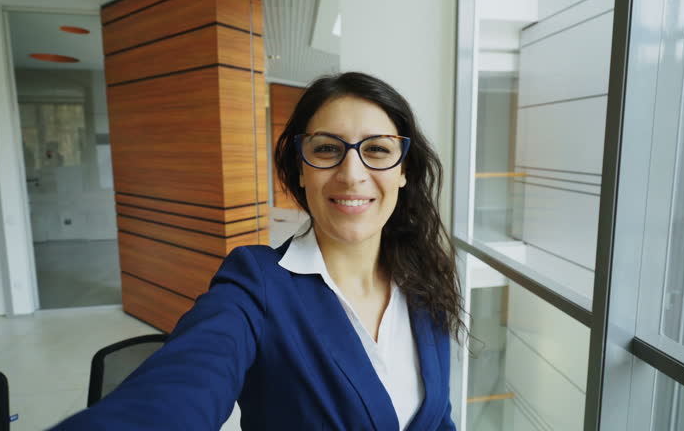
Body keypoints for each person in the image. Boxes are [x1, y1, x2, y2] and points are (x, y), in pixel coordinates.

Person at [53, 72, 463, 430]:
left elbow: (437, 418)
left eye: (377, 150)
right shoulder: (256, 284)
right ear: (301, 169)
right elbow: (181, 387)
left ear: (404, 169)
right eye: (326, 149)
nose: (352, 174)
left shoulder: (425, 280)